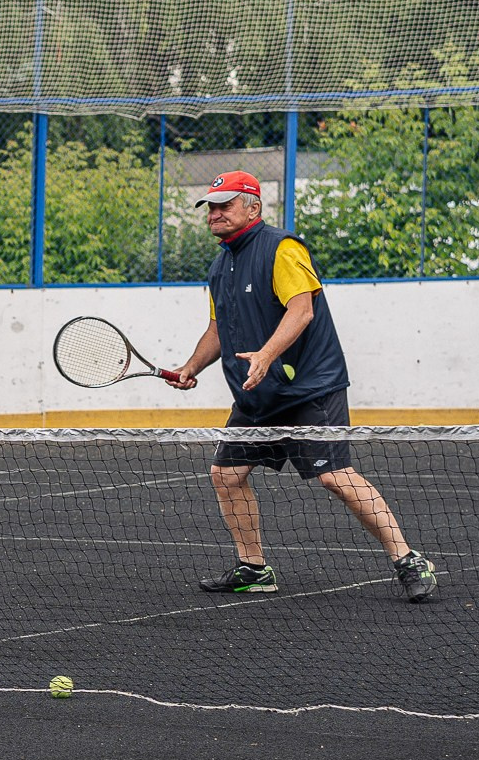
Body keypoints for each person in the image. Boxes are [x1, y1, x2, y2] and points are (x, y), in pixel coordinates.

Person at [166, 170, 438, 603]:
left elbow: (301, 310)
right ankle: (254, 568)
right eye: (211, 207)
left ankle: (408, 560)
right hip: (258, 393)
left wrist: (267, 355)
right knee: (227, 475)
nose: (215, 213)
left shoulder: (282, 249)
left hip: (310, 388)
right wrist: (190, 366)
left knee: (334, 477)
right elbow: (218, 328)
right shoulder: (221, 265)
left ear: (253, 207)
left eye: (225, 205)